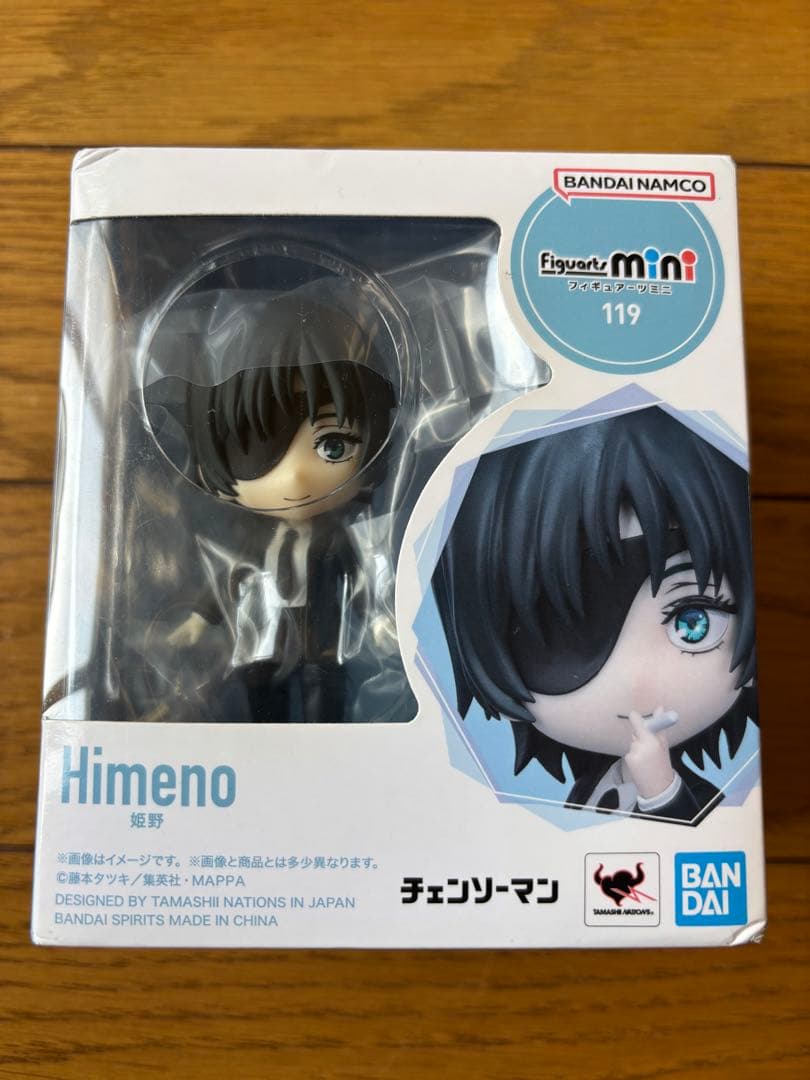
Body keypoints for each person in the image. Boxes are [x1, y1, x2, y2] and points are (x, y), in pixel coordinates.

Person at [431, 406, 757, 823]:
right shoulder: (588, 789)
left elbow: (695, 841)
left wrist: (661, 790)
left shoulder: (698, 801)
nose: (638, 682)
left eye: (694, 624)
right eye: (562, 628)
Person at [156, 296, 397, 723]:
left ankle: (325, 746)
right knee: (262, 699)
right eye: (254, 447)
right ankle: (268, 746)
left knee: (326, 699)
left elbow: (359, 578)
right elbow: (232, 580)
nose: (296, 477)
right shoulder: (250, 541)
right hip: (262, 640)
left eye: (334, 446)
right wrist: (199, 619)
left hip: (325, 642)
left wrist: (378, 620)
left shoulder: (338, 539)